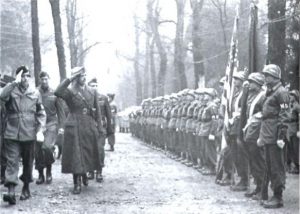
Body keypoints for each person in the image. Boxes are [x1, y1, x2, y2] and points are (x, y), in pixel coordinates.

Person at [54, 67, 104, 194]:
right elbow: (58, 92)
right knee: (75, 154)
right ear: (76, 78)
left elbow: (97, 111)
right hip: (74, 124)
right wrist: (69, 79)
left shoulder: (92, 91)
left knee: (87, 152)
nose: (84, 78)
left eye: (85, 75)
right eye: (81, 76)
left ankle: (84, 174)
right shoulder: (70, 91)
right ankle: (77, 183)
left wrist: (100, 127)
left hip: (88, 124)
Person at [0, 66, 46, 205]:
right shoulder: (11, 90)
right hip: (12, 132)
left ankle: (26, 187)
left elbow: (41, 113)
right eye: (22, 76)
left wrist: (40, 130)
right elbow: (1, 97)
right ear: (18, 77)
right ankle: (11, 191)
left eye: (27, 76)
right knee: (12, 161)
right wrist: (14, 82)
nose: (25, 79)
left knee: (28, 162)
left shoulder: (35, 92)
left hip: (29, 132)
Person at [258, 64, 289, 208]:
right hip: (268, 135)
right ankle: (271, 194)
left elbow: (284, 115)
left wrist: (281, 137)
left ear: (275, 77)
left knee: (277, 166)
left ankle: (278, 197)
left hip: (276, 136)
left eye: (268, 75)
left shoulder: (281, 92)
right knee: (270, 165)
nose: (265, 78)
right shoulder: (270, 93)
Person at [35, 72, 65, 185]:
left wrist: (61, 127)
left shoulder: (54, 93)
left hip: (51, 123)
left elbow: (60, 111)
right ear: (39, 80)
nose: (44, 81)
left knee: (47, 147)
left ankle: (49, 171)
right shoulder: (35, 92)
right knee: (38, 151)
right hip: (38, 125)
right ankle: (41, 175)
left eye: (46, 79)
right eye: (42, 79)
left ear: (49, 79)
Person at [241, 73, 266, 200]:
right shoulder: (251, 95)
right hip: (250, 132)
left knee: (259, 161)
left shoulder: (263, 96)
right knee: (253, 160)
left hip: (258, 132)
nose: (250, 84)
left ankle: (262, 189)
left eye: (252, 82)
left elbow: (265, 113)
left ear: (258, 83)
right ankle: (257, 187)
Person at [87, 78, 113, 182]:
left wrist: (110, 130)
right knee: (89, 149)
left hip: (101, 127)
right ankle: (90, 171)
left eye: (96, 85)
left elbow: (108, 114)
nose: (94, 87)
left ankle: (99, 171)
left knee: (99, 149)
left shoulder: (103, 98)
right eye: (92, 86)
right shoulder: (85, 98)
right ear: (88, 87)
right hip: (88, 127)